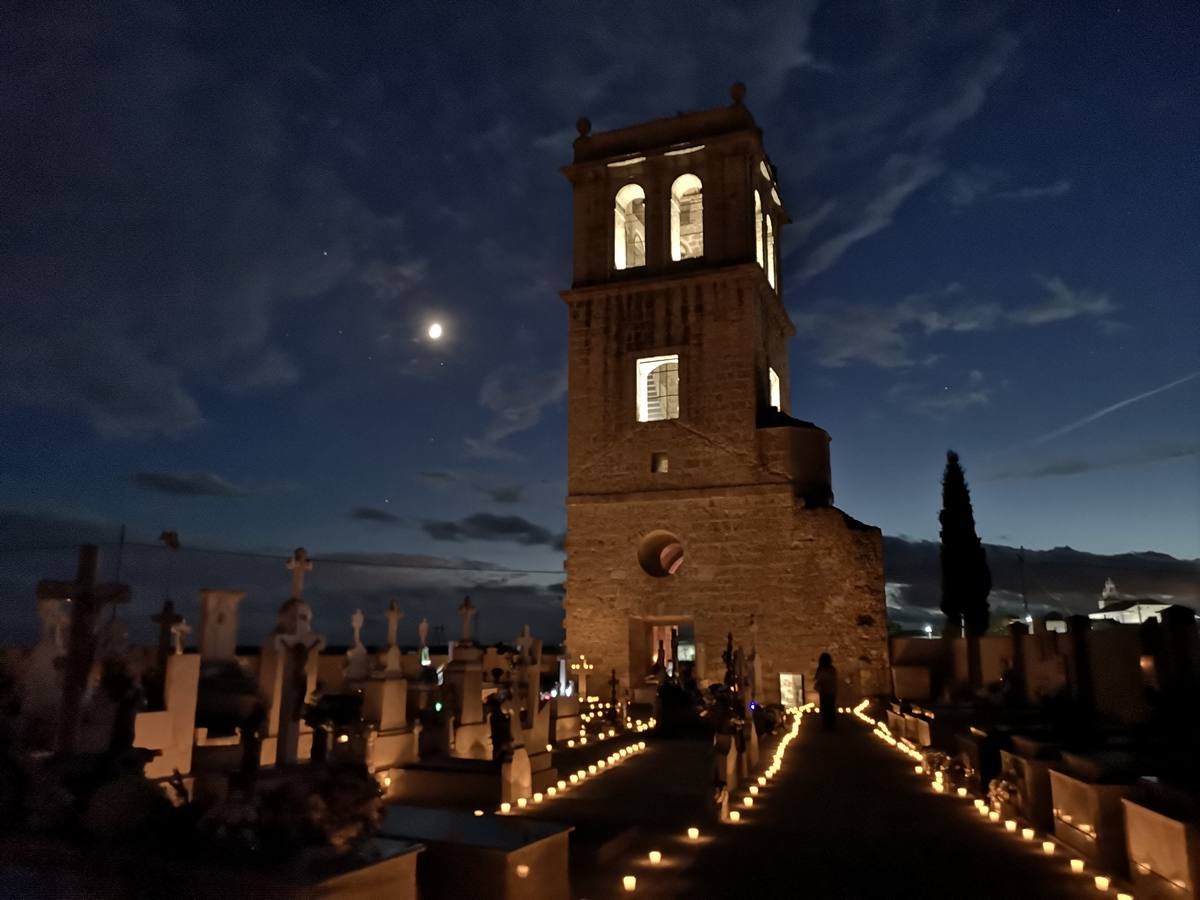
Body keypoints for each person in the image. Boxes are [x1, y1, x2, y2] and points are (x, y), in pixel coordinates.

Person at [814, 652, 838, 731]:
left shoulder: (822, 669)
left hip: (825, 691)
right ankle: (830, 726)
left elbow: (818, 678)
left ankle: (827, 726)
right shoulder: (831, 669)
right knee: (830, 709)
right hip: (830, 692)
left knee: (826, 709)